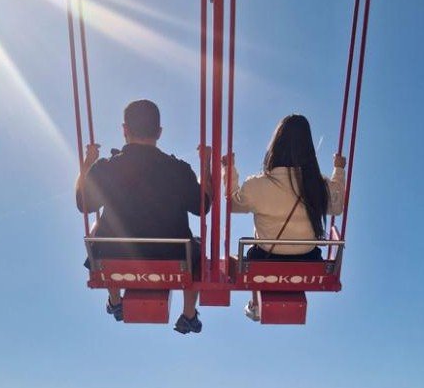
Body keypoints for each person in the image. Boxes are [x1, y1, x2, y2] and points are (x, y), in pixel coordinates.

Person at [76, 99, 212, 334]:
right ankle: (189, 314)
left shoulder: (106, 168)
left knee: (98, 230)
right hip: (173, 256)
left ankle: (115, 301)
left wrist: (87, 164)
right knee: (198, 249)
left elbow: (83, 204)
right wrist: (206, 165)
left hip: (117, 254)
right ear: (159, 132)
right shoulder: (179, 169)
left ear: (125, 130)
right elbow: (203, 206)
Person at [222, 114, 346, 321]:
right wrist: (339, 170)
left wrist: (229, 169)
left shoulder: (258, 185)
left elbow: (232, 204)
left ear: (275, 146)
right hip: (308, 259)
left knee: (247, 257)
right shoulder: (318, 186)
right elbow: (337, 206)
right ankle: (256, 303)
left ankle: (255, 304)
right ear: (309, 149)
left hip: (266, 259)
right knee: (255, 253)